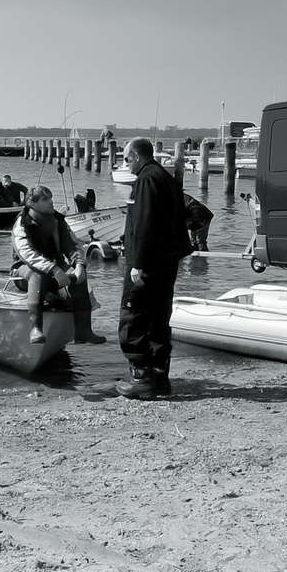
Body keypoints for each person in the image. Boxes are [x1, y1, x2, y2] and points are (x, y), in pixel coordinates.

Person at [116, 137, 193, 399]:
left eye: (126, 159)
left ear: (137, 156)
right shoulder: (164, 177)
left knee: (134, 316)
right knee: (159, 317)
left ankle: (141, 379)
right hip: (166, 259)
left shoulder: (147, 179)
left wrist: (138, 263)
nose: (125, 164)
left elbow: (146, 223)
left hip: (149, 261)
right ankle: (159, 377)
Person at [10, 185, 105, 345]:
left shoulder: (58, 220)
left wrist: (79, 265)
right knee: (37, 274)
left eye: (51, 197)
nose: (51, 202)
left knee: (80, 275)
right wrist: (53, 269)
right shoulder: (22, 222)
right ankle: (36, 328)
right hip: (24, 271)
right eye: (45, 199)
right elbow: (26, 252)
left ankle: (84, 331)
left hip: (56, 267)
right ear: (31, 204)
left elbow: (73, 244)